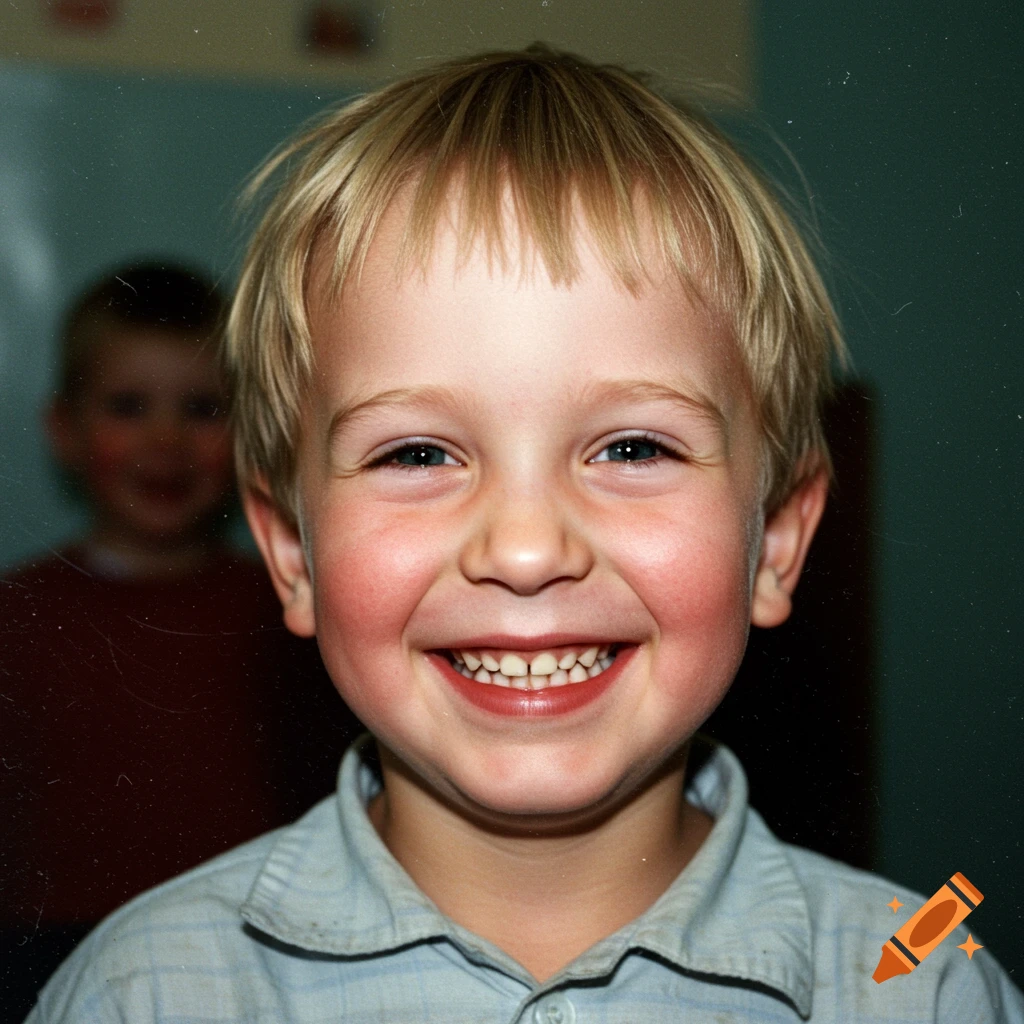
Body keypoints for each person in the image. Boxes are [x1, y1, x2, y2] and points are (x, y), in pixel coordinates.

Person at [24, 49, 1024, 1023]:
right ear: (292, 553)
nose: (526, 549)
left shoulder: (924, 983)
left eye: (632, 447)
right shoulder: (142, 992)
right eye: (418, 453)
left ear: (776, 540)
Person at [0, 264, 360, 1020]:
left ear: (252, 434)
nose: (165, 440)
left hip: (251, 942)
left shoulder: (293, 609)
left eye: (202, 409)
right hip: (39, 946)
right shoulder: (20, 613)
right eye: (128, 407)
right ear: (64, 430)